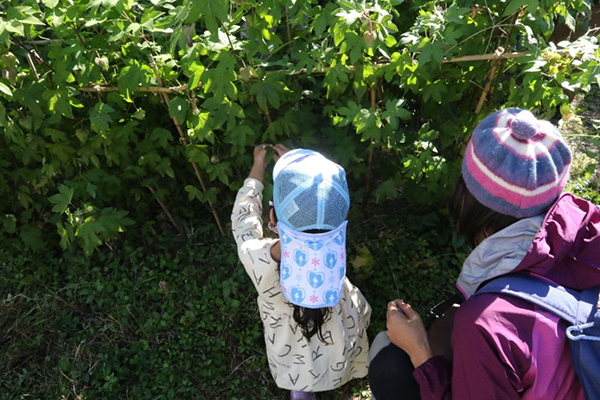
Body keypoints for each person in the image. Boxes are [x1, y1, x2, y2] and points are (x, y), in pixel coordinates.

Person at [368, 108, 600, 399]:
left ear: (468, 201)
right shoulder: (589, 232)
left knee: (391, 364)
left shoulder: (485, 323)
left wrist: (419, 352)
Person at [231, 144, 371, 400]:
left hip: (293, 358)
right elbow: (322, 206)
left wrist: (258, 168)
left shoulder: (258, 258)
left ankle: (303, 393)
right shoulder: (334, 240)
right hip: (340, 343)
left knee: (301, 381)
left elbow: (244, 223)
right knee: (332, 358)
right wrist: (303, 182)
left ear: (272, 218)